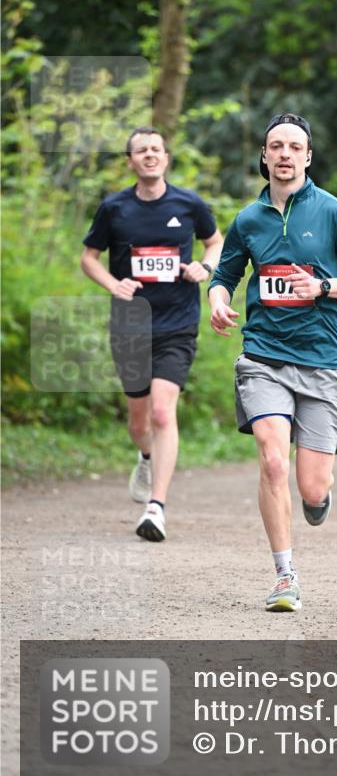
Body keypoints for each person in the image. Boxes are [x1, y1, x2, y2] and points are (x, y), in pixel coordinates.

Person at [208, 112, 337, 611]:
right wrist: (217, 300)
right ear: (264, 156)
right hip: (263, 356)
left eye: (294, 147)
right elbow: (225, 274)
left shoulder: (335, 213)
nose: (284, 154)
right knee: (272, 459)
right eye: (275, 146)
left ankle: (318, 497)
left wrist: (324, 286)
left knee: (311, 483)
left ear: (308, 157)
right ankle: (285, 576)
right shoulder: (248, 219)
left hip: (323, 362)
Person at [81, 127, 223, 541]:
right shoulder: (114, 208)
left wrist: (205, 267)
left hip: (177, 323)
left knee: (163, 412)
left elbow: (214, 242)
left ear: (165, 157)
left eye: (156, 149)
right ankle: (145, 456)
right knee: (139, 418)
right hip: (130, 324)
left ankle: (155, 507)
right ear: (130, 160)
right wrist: (113, 284)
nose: (149, 155)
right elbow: (89, 258)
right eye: (141, 150)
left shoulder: (189, 204)